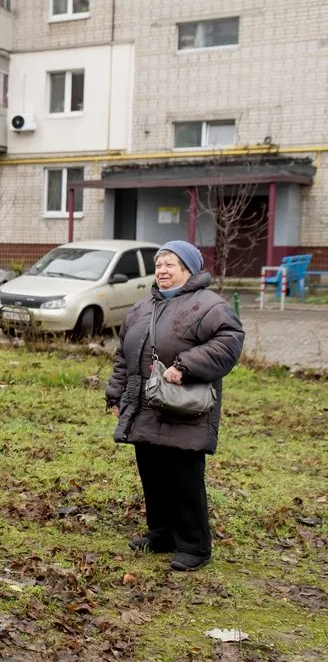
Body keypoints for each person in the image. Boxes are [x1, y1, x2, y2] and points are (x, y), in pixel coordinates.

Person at [106, 240, 243, 573]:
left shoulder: (210, 306)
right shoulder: (142, 308)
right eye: (158, 264)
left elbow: (229, 341)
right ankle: (162, 534)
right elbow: (124, 355)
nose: (162, 270)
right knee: (151, 473)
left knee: (183, 477)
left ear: (189, 269)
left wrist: (185, 366)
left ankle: (195, 546)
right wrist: (116, 395)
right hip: (144, 405)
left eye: (170, 264)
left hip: (184, 408)